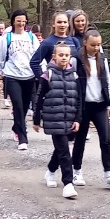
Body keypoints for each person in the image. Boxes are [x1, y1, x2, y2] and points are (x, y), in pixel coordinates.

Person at [72, 30, 110, 189]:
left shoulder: (103, 59)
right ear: (85, 43)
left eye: (99, 44)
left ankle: (109, 173)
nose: (96, 48)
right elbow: (71, 82)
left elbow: (106, 80)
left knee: (106, 139)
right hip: (83, 106)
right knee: (80, 139)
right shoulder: (76, 59)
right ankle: (77, 171)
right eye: (93, 45)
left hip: (100, 104)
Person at [33, 42, 82, 199]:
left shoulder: (74, 75)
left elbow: (79, 99)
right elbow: (39, 97)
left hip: (70, 118)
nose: (64, 58)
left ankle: (50, 170)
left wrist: (78, 119)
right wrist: (36, 118)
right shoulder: (47, 75)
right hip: (53, 117)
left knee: (61, 149)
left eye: (66, 55)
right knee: (65, 151)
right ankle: (68, 184)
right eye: (60, 55)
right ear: (54, 56)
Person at [0, 9, 40, 151]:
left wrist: (41, 73)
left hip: (29, 76)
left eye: (23, 21)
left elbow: (38, 57)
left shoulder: (31, 38)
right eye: (18, 20)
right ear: (13, 21)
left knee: (25, 106)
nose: (21, 23)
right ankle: (22, 137)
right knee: (18, 106)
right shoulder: (7, 38)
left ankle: (16, 125)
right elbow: (0, 58)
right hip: (12, 76)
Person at [29, 11, 80, 80]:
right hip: (54, 85)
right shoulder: (47, 42)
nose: (62, 25)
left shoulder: (74, 41)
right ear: (53, 24)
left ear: (68, 24)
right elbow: (34, 62)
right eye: (59, 22)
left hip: (71, 85)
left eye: (65, 22)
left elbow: (80, 64)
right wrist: (44, 79)